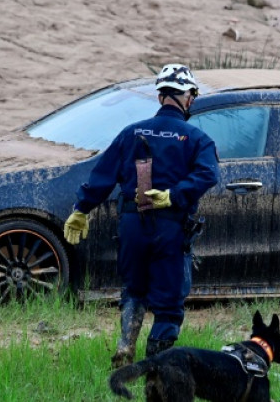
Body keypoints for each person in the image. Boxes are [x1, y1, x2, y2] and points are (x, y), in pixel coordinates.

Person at [63, 63, 219, 369]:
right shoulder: (197, 138)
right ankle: (153, 367)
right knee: (169, 305)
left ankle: (125, 345)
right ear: (188, 97)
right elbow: (207, 175)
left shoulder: (130, 133)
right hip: (171, 228)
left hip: (132, 225)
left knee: (134, 289)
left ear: (161, 96)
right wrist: (174, 195)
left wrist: (81, 210)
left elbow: (102, 176)